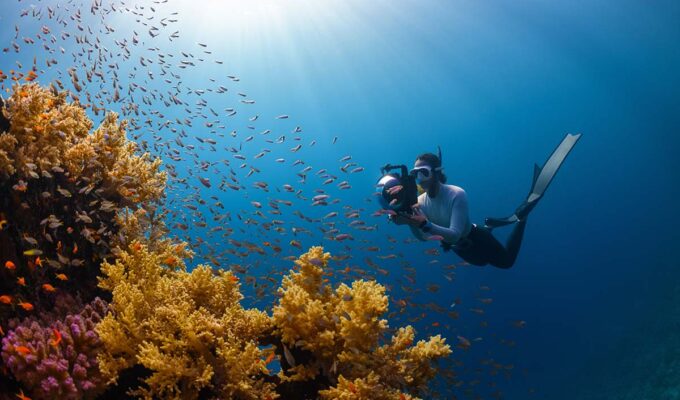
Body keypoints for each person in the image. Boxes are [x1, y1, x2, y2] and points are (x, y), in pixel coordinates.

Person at [390, 134, 581, 269]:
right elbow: (423, 238)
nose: (419, 178)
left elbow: (455, 234)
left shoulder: (456, 194)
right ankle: (490, 225)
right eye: (415, 174)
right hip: (457, 248)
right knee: (481, 264)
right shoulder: (420, 202)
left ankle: (521, 218)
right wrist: (410, 222)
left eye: (424, 172)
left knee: (506, 263)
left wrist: (424, 224)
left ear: (437, 172)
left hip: (473, 236)